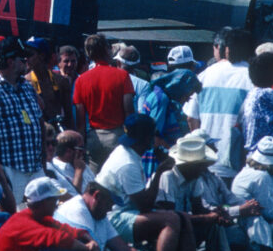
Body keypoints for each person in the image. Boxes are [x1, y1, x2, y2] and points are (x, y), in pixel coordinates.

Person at [96, 114, 197, 251]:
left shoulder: (128, 152)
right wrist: (159, 172)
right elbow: (145, 205)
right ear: (146, 138)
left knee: (183, 218)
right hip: (113, 217)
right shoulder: (127, 163)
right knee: (171, 220)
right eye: (153, 135)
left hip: (125, 210)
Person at [55, 181, 181, 251]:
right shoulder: (76, 211)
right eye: (109, 203)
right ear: (97, 196)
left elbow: (124, 249)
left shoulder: (98, 214)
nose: (110, 209)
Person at [0, 177, 106, 251]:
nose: (56, 204)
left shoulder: (39, 216)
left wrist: (91, 242)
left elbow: (72, 231)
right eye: (54, 200)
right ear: (44, 202)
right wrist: (87, 249)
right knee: (57, 247)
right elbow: (58, 239)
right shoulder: (22, 222)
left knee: (74, 242)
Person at [0, 36, 44, 203]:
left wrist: (43, 162)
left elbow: (39, 120)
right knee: (15, 217)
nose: (26, 62)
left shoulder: (26, 86)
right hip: (10, 169)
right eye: (22, 59)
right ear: (11, 62)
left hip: (35, 168)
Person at [183, 27, 254, 183]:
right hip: (238, 162)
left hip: (206, 161)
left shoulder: (203, 76)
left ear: (222, 48)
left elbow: (191, 118)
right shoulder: (252, 78)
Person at [73, 34, 134, 168]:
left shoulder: (81, 80)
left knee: (94, 181)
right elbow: (129, 112)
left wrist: (80, 147)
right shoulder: (122, 76)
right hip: (118, 137)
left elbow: (80, 121)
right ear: (107, 50)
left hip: (94, 138)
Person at [138, 69, 200, 148]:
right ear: (179, 89)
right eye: (187, 95)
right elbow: (155, 136)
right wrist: (173, 151)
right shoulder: (161, 99)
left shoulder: (164, 97)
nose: (187, 100)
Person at [24, 37, 67, 123]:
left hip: (57, 132)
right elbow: (25, 116)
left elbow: (69, 116)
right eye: (24, 54)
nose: (26, 58)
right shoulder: (24, 84)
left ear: (42, 55)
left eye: (29, 54)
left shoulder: (61, 81)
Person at [46, 130, 95, 197]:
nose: (83, 152)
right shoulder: (55, 169)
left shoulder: (81, 164)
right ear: (68, 151)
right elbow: (72, 197)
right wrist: (78, 171)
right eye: (81, 148)